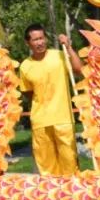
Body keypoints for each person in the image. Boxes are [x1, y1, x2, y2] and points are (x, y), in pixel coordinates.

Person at [19, 24, 83, 176]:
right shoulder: (25, 66)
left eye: (42, 38)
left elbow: (79, 69)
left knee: (70, 165)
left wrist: (69, 47)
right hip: (40, 122)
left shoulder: (59, 56)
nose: (40, 42)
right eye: (35, 40)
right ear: (28, 43)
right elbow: (28, 93)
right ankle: (51, 191)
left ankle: (70, 190)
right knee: (47, 170)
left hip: (63, 119)